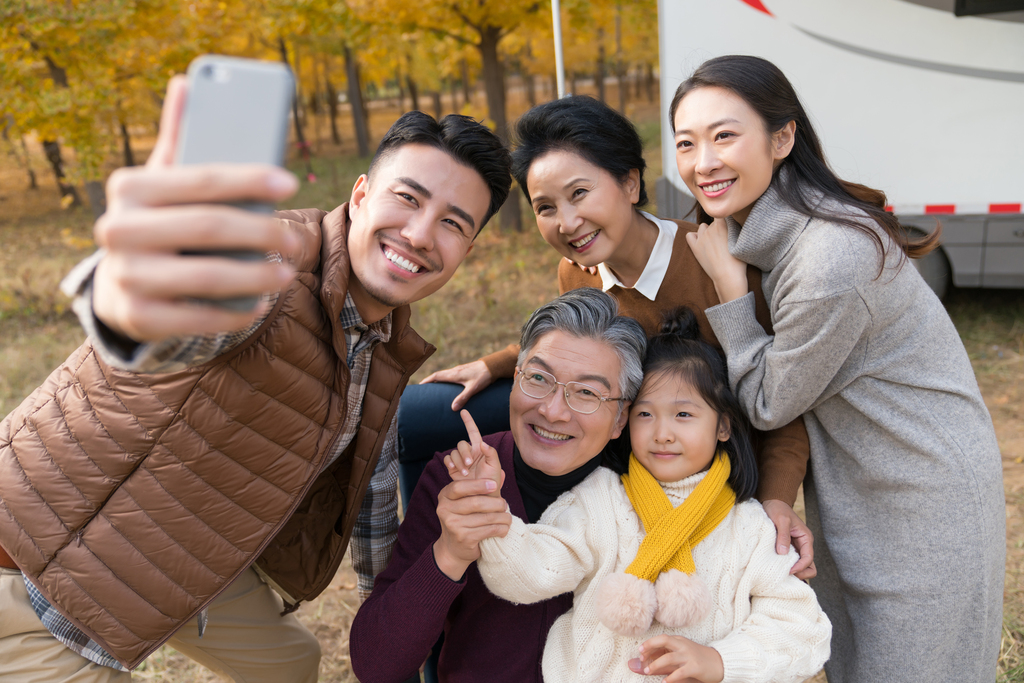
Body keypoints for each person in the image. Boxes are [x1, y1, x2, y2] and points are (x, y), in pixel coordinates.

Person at [0, 74, 511, 682]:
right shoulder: (270, 271)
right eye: (408, 198)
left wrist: (399, 623)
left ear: (469, 248)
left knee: (291, 664)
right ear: (360, 194)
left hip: (176, 554)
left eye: (453, 223)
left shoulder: (383, 344)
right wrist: (141, 281)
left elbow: (374, 512)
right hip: (35, 572)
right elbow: (163, 332)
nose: (421, 234)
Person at [675, 55, 1005, 682]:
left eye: (724, 135)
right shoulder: (770, 236)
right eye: (687, 143)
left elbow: (769, 402)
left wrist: (728, 292)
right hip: (864, 483)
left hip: (922, 498)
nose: (703, 162)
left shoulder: (829, 258)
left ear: (782, 137)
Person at [399, 95, 816, 577]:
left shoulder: (718, 264)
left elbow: (782, 404)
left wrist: (776, 500)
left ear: (630, 182)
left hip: (698, 470)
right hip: (609, 443)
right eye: (546, 207)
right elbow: (586, 349)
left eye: (580, 194)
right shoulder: (576, 273)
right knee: (419, 418)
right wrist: (497, 363)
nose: (567, 222)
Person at [469, 307, 831, 682]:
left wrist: (719, 662)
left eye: (683, 415)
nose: (662, 433)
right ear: (624, 420)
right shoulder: (600, 499)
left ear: (723, 425)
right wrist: (490, 512)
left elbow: (803, 629)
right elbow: (531, 572)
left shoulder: (751, 527)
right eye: (646, 414)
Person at [349, 288, 648, 683]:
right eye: (538, 378)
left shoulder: (647, 496)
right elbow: (377, 666)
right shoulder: (454, 478)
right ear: (515, 380)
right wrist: (450, 552)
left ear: (620, 420)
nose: (553, 411)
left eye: (587, 393)